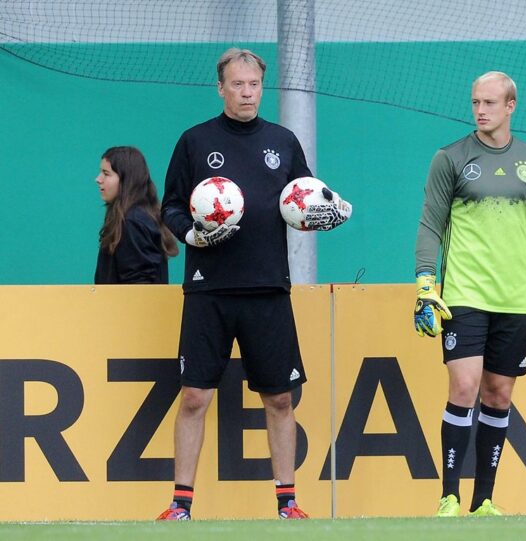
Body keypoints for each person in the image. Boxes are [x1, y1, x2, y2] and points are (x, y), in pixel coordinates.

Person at [158, 48, 351, 521]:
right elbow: (172, 207)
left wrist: (329, 212)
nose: (247, 93)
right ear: (220, 87)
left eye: (254, 85)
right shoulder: (195, 141)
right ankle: (180, 506)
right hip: (209, 289)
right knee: (193, 396)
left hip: (268, 288)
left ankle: (288, 503)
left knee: (280, 397)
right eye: (238, 84)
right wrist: (193, 234)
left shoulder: (283, 142)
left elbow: (304, 200)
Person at [413, 71, 526, 517]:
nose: (480, 110)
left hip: (514, 298)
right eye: (476, 102)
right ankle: (449, 497)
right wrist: (426, 284)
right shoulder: (451, 158)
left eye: (490, 103)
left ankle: (484, 502)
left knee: (498, 395)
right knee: (464, 385)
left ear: (511, 106)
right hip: (464, 293)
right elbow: (429, 225)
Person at [94, 146, 178, 284]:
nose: (98, 179)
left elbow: (139, 287)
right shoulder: (137, 217)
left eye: (106, 173)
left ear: (127, 180)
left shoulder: (132, 222)